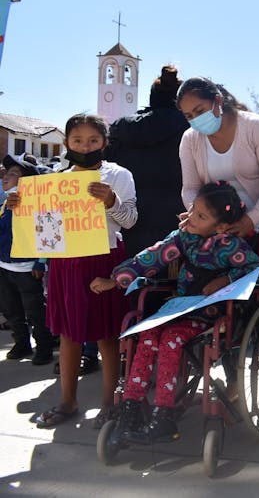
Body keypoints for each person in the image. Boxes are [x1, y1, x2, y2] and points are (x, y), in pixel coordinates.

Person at [90, 181, 259, 444]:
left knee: (171, 340)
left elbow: (258, 270)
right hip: (181, 306)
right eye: (192, 210)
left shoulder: (230, 246)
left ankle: (164, 414)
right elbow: (152, 257)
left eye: (201, 216)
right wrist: (116, 279)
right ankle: (132, 405)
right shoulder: (184, 237)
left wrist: (226, 279)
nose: (191, 219)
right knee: (148, 334)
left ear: (220, 226)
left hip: (212, 312)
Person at [34, 113, 138, 428]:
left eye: (93, 140)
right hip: (66, 262)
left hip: (104, 260)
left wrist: (111, 201)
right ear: (66, 143)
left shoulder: (118, 175)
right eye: (78, 140)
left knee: (107, 334)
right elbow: (43, 224)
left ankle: (109, 404)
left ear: (105, 143)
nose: (85, 146)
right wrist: (19, 206)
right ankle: (68, 402)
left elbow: (130, 219)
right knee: (69, 334)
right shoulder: (55, 180)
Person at [177, 76, 259, 238]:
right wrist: (197, 215)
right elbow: (190, 188)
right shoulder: (189, 140)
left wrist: (251, 219)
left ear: (218, 101)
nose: (196, 119)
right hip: (215, 235)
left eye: (199, 111)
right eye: (189, 116)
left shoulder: (257, 127)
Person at [105, 65, 188, 257]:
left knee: (127, 282)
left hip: (126, 228)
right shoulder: (191, 131)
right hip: (176, 230)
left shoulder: (120, 130)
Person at [0, 154, 54, 365]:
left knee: (35, 311)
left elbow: (47, 235)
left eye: (13, 174)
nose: (6, 178)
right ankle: (21, 344)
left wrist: (41, 262)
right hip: (4, 267)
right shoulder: (5, 206)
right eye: (6, 173)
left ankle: (44, 347)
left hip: (27, 268)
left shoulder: (37, 207)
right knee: (11, 309)